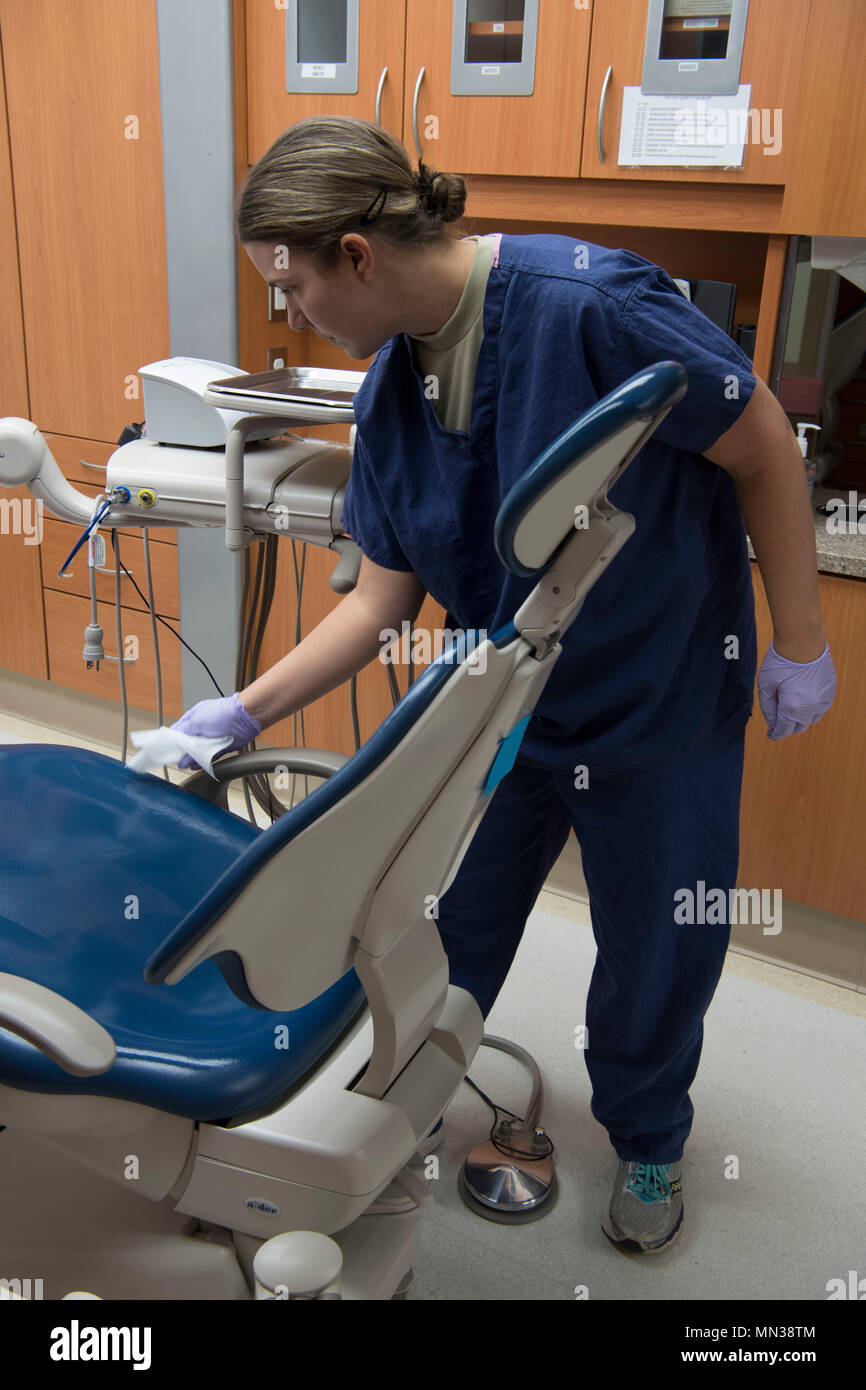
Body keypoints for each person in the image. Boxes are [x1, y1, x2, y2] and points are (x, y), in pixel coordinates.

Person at [171, 116, 837, 1255]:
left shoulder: (592, 305)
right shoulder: (388, 391)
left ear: (355, 253)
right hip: (497, 711)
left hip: (655, 698)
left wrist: (797, 637)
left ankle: (645, 1140)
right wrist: (239, 709)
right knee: (437, 925)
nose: (292, 318)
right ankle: (407, 1098)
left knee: (655, 945)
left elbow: (761, 439)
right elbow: (375, 603)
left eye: (290, 288)